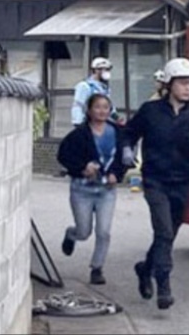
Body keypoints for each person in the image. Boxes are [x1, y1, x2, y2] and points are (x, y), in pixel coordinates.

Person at [125, 58, 189, 310]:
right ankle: (163, 285)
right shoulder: (150, 111)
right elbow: (129, 132)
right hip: (156, 181)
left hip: (184, 182)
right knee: (164, 231)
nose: (188, 88)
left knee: (168, 235)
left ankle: (145, 269)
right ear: (169, 84)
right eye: (183, 83)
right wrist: (126, 149)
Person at [56, 93, 130, 285]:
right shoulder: (79, 134)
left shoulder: (117, 132)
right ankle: (71, 235)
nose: (102, 111)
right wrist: (82, 168)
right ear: (89, 111)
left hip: (107, 191)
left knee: (103, 231)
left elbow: (125, 156)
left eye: (106, 107)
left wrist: (117, 174)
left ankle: (97, 268)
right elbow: (63, 155)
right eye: (97, 107)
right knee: (84, 231)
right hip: (82, 190)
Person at [72, 57, 118, 126]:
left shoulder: (105, 88)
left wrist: (117, 118)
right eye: (105, 69)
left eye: (108, 70)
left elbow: (109, 107)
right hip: (89, 124)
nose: (107, 72)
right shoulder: (85, 86)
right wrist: (79, 124)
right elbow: (78, 106)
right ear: (96, 70)